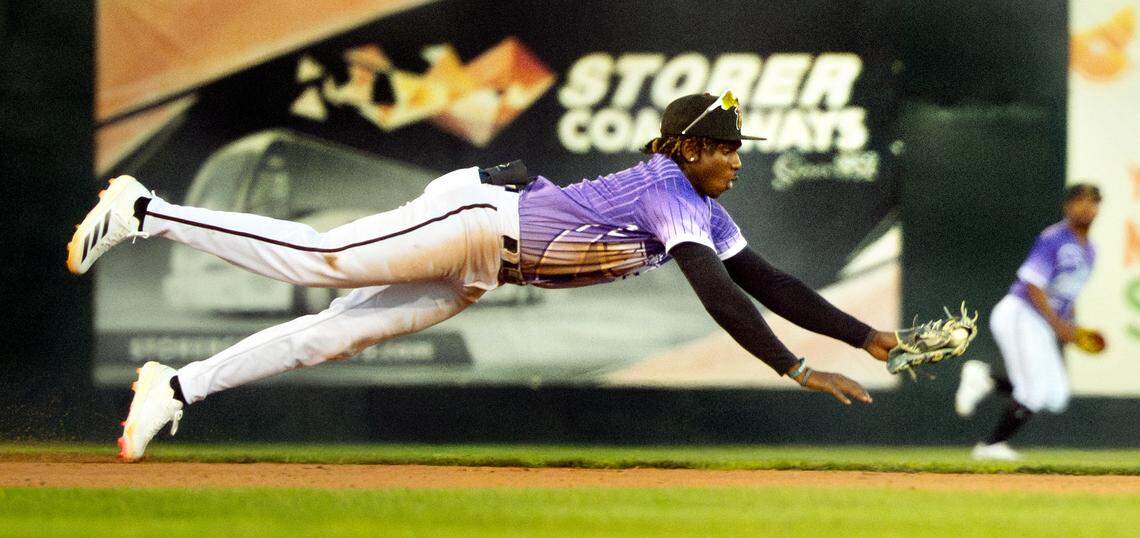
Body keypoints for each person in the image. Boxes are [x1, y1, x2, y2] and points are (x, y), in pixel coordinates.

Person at [68, 92, 900, 462]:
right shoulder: (668, 190)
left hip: (485, 270)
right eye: (722, 146)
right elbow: (719, 296)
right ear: (684, 148)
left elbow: (771, 282)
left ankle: (175, 387)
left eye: (734, 149)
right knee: (324, 264)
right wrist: (793, 367)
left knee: (334, 335)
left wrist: (868, 338)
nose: (733, 161)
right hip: (479, 219)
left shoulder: (708, 212)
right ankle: (144, 210)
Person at [954, 184, 1101, 461]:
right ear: (1067, 206)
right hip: (1021, 312)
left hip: (1042, 322)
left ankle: (985, 378)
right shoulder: (1054, 238)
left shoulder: (1091, 252)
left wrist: (1072, 329)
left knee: (1056, 396)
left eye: (1093, 201)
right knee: (1033, 390)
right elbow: (1033, 284)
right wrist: (1058, 325)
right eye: (1080, 200)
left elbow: (1070, 294)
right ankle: (991, 446)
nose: (1086, 206)